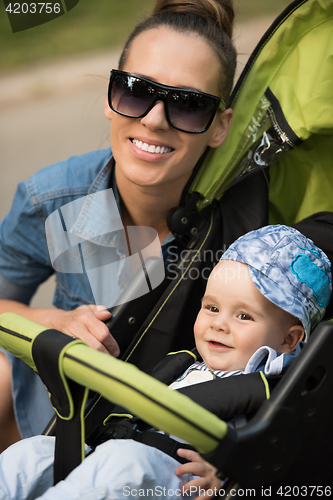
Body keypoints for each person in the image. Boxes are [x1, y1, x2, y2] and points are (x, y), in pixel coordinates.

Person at [0, 0, 239, 450]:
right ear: (111, 97)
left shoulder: (247, 229)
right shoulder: (50, 198)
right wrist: (51, 321)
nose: (153, 120)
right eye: (135, 90)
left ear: (219, 127)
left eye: (188, 105)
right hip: (58, 421)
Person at [0, 224, 331, 500]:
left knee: (124, 462)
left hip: (172, 480)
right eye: (211, 308)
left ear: (288, 340)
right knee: (34, 452)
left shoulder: (274, 387)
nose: (218, 323)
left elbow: (278, 460)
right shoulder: (184, 364)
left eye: (243, 316)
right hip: (115, 454)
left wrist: (228, 476)